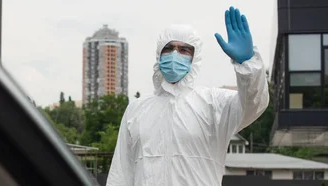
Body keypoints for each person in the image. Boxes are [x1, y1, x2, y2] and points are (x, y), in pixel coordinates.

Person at [106, 6, 269, 186]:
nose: (175, 54)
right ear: (159, 54)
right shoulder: (137, 110)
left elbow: (253, 104)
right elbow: (121, 172)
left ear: (195, 57)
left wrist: (248, 65)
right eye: (168, 48)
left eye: (184, 50)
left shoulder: (213, 103)